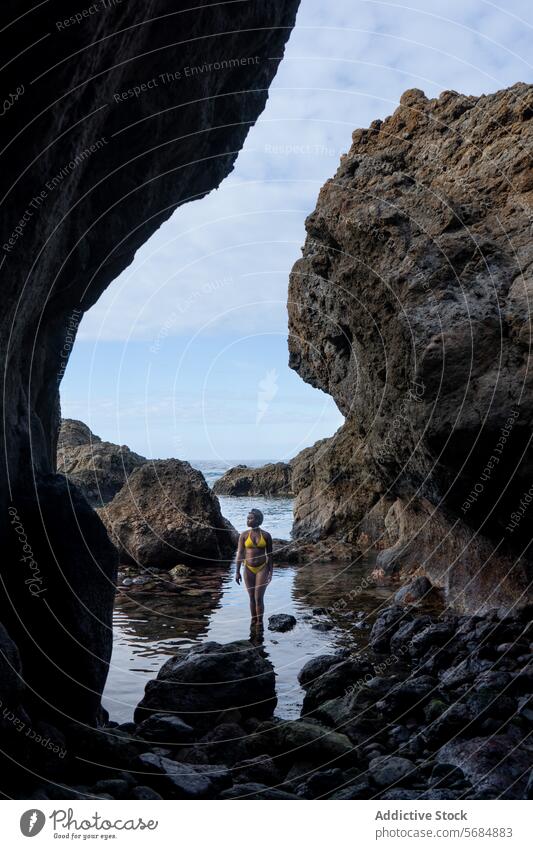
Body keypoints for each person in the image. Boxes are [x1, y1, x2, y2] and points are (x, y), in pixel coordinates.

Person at [235, 507, 273, 626]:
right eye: (247, 518)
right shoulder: (244, 535)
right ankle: (253, 620)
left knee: (258, 597)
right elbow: (240, 553)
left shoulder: (266, 535)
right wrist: (237, 571)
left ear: (257, 520)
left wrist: (271, 571)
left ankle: (259, 622)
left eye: (250, 518)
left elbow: (270, 555)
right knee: (251, 597)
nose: (248, 520)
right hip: (248, 568)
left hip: (262, 568)